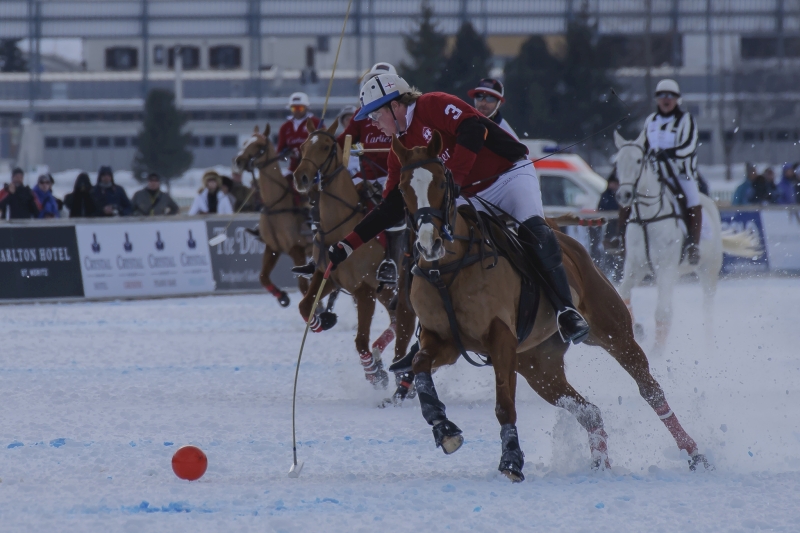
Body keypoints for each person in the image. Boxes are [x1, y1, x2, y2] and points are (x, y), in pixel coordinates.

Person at [325, 73, 590, 345]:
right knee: (434, 247)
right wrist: (348, 244)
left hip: (508, 175)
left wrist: (455, 181)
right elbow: (391, 206)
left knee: (535, 232)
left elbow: (474, 128)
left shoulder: (432, 104)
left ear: (395, 106)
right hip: (465, 193)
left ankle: (566, 311)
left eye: (374, 115)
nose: (373, 123)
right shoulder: (399, 149)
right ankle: (429, 335)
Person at [293, 62, 403, 282]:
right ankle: (318, 258)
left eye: (380, 80)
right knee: (329, 199)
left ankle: (390, 260)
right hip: (365, 174)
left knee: (387, 211)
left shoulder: (400, 113)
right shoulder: (362, 115)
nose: (375, 84)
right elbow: (342, 142)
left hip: (393, 175)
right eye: (372, 80)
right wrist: (321, 146)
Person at [619, 79, 702, 264]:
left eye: (670, 96)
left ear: (677, 99)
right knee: (629, 193)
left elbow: (689, 145)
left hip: (681, 173)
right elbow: (644, 144)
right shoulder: (651, 120)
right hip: (655, 173)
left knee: (692, 200)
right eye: (662, 95)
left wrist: (670, 153)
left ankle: (693, 245)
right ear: (657, 99)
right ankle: (619, 237)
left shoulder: (685, 119)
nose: (666, 99)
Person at [277, 92, 320, 175]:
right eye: (294, 108)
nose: (296, 111)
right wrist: (286, 154)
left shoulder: (316, 123)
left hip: (314, 169)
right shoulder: (285, 127)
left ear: (306, 108)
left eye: (300, 108)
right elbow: (280, 153)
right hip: (293, 169)